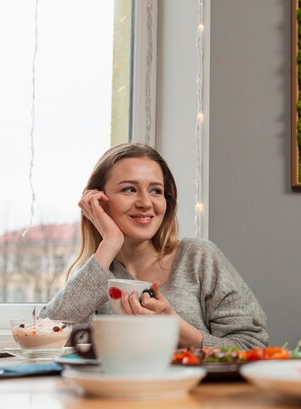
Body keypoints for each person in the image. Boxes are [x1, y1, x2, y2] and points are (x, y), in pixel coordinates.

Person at [41, 143, 269, 350]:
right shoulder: (95, 273)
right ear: (98, 201)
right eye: (129, 189)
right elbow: (45, 336)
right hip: (116, 395)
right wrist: (109, 243)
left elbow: (253, 346)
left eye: (156, 191)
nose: (145, 203)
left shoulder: (199, 257)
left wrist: (177, 329)